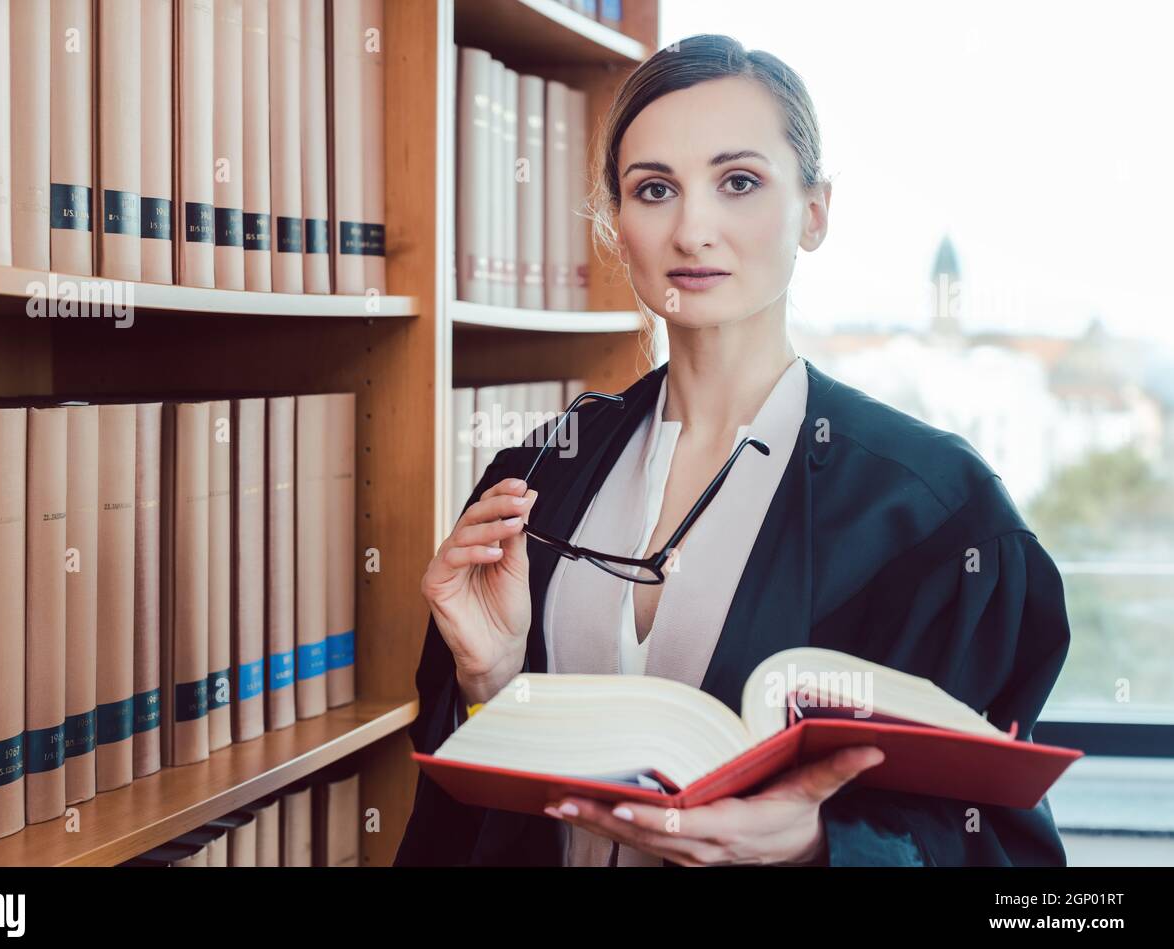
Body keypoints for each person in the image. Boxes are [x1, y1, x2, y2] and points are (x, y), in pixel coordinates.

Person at [395, 34, 1071, 866]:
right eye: (654, 190)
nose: (693, 229)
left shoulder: (938, 513)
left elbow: (1011, 860)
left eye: (739, 182)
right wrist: (489, 684)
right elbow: (461, 822)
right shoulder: (538, 475)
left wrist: (820, 846)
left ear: (814, 212)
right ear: (616, 223)